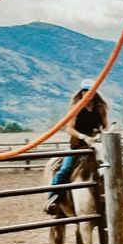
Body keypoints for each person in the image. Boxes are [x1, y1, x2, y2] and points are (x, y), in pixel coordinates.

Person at [45, 81, 107, 215]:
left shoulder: (100, 107)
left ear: (95, 92)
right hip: (77, 146)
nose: (87, 93)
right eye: (85, 90)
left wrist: (100, 136)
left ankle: (122, 197)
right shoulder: (76, 107)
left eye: (90, 90)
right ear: (81, 92)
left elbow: (105, 126)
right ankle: (52, 199)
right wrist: (83, 137)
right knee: (64, 170)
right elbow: (69, 129)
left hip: (95, 145)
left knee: (111, 166)